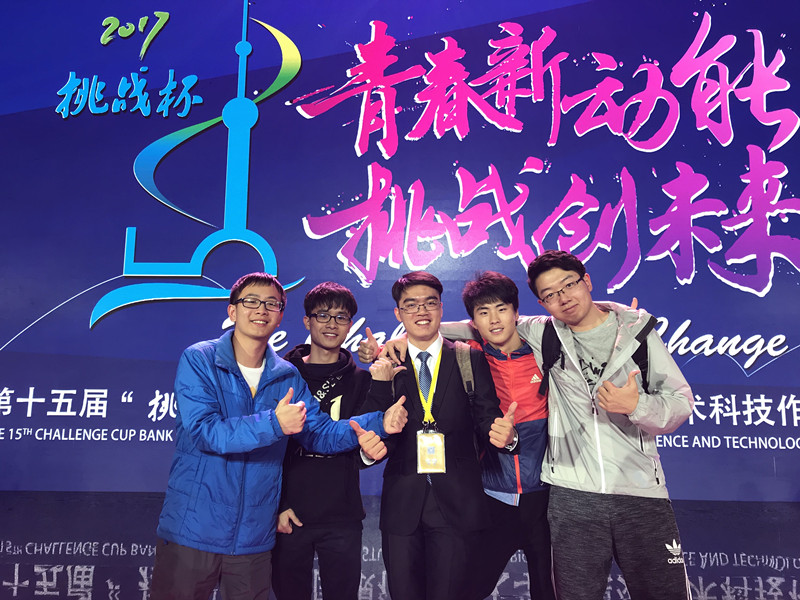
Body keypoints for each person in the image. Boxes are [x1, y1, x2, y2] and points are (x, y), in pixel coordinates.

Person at [149, 272, 407, 600]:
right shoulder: (200, 359)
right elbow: (205, 432)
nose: (261, 309)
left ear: (281, 315)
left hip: (253, 540)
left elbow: (321, 433)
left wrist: (380, 421)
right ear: (232, 311)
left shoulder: (287, 375)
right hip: (194, 529)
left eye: (272, 303)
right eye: (251, 302)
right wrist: (274, 423)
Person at [520, 250, 693, 600]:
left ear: (586, 281)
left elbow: (680, 402)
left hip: (640, 493)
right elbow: (489, 325)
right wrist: (410, 339)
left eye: (568, 285)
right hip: (572, 494)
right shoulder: (544, 334)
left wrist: (637, 406)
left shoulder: (638, 334)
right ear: (542, 303)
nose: (563, 298)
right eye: (550, 295)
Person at [362, 270, 517, 600]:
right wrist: (369, 447)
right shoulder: (387, 362)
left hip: (457, 503)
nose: (421, 311)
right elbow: (373, 426)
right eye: (411, 305)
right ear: (398, 313)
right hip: (403, 503)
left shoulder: (468, 357)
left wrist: (507, 436)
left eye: (430, 303)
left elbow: (487, 418)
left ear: (441, 308)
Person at [272, 282, 374, 600]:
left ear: (350, 325)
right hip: (289, 513)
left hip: (342, 514)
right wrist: (277, 505)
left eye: (341, 317)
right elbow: (268, 445)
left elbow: (366, 445)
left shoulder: (362, 380)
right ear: (307, 321)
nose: (332, 324)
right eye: (323, 315)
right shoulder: (280, 375)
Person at [460, 272, 555, 600]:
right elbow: (426, 338)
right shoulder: (469, 358)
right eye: (483, 312)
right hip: (493, 499)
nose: (494, 319)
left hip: (546, 501)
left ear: (516, 312)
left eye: (501, 309)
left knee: (549, 591)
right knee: (469, 589)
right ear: (473, 322)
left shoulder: (545, 353)